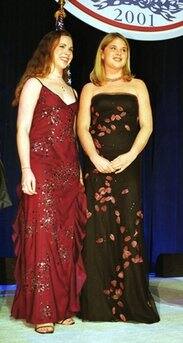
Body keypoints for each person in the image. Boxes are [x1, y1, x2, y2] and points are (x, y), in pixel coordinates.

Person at [77, 32, 160, 323]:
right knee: (97, 231)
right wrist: (95, 159)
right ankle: (98, 306)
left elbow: (147, 126)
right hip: (97, 166)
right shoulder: (90, 88)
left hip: (128, 165)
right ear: (102, 53)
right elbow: (83, 128)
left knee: (128, 228)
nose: (119, 52)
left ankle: (132, 304)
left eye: (123, 49)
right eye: (113, 48)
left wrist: (130, 155)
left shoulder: (137, 85)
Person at [11, 30, 87, 333]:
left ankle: (63, 306)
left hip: (69, 171)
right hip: (41, 167)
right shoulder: (34, 83)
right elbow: (22, 130)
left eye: (71, 47)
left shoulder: (73, 91)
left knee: (65, 240)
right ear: (49, 50)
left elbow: (72, 137)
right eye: (61, 46)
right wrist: (26, 169)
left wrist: (79, 171)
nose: (67, 52)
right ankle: (43, 310)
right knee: (42, 237)